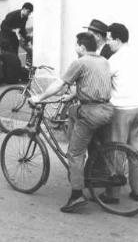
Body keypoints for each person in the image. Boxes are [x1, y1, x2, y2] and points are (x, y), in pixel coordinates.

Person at [30, 32, 114, 213]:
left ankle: (76, 195)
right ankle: (91, 169)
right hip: (106, 110)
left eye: (76, 45)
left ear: (82, 47)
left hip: (91, 112)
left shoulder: (80, 62)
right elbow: (95, 84)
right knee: (72, 111)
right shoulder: (103, 61)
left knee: (74, 154)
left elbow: (59, 83)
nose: (75, 48)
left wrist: (40, 97)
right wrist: (73, 95)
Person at [106, 23, 138, 201]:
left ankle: (113, 194)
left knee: (117, 151)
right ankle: (137, 191)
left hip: (122, 109)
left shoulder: (115, 60)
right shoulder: (136, 55)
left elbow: (103, 79)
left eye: (109, 39)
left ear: (118, 39)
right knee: (135, 150)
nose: (108, 43)